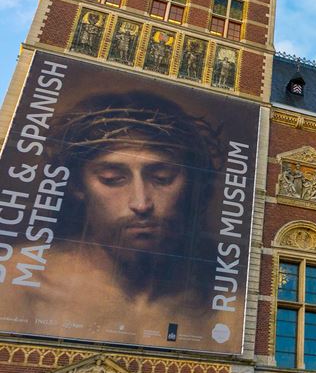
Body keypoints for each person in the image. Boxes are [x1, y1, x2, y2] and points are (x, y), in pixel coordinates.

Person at [0, 91, 231, 349]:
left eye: (162, 177)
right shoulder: (13, 284)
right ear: (77, 184)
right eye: (112, 178)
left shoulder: (228, 306)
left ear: (190, 183)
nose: (141, 203)